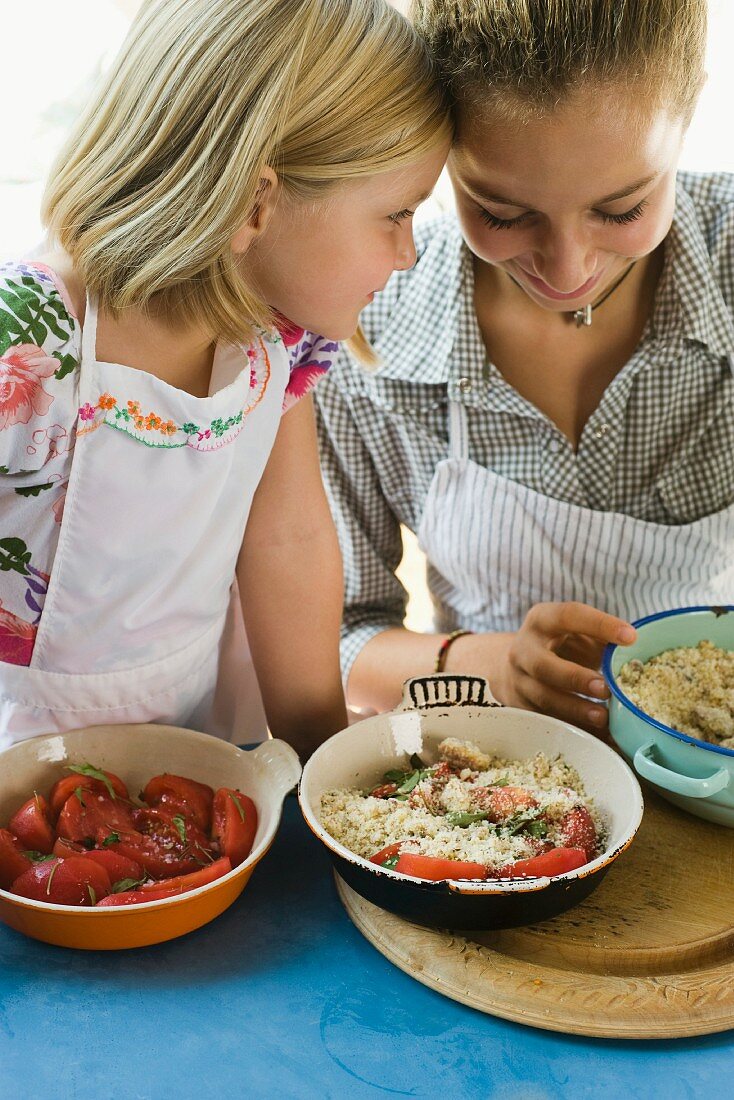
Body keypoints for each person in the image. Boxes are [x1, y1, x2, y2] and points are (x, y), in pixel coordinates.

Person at [0, 0, 451, 755]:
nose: (408, 253)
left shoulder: (282, 343)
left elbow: (290, 540)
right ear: (256, 200)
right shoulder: (26, 341)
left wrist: (323, 758)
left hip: (207, 764)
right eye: (395, 214)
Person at [315, 0, 734, 732]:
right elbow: (343, 637)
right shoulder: (365, 330)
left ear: (692, 106)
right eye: (503, 214)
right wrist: (491, 666)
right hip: (498, 779)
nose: (568, 268)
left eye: (622, 206)